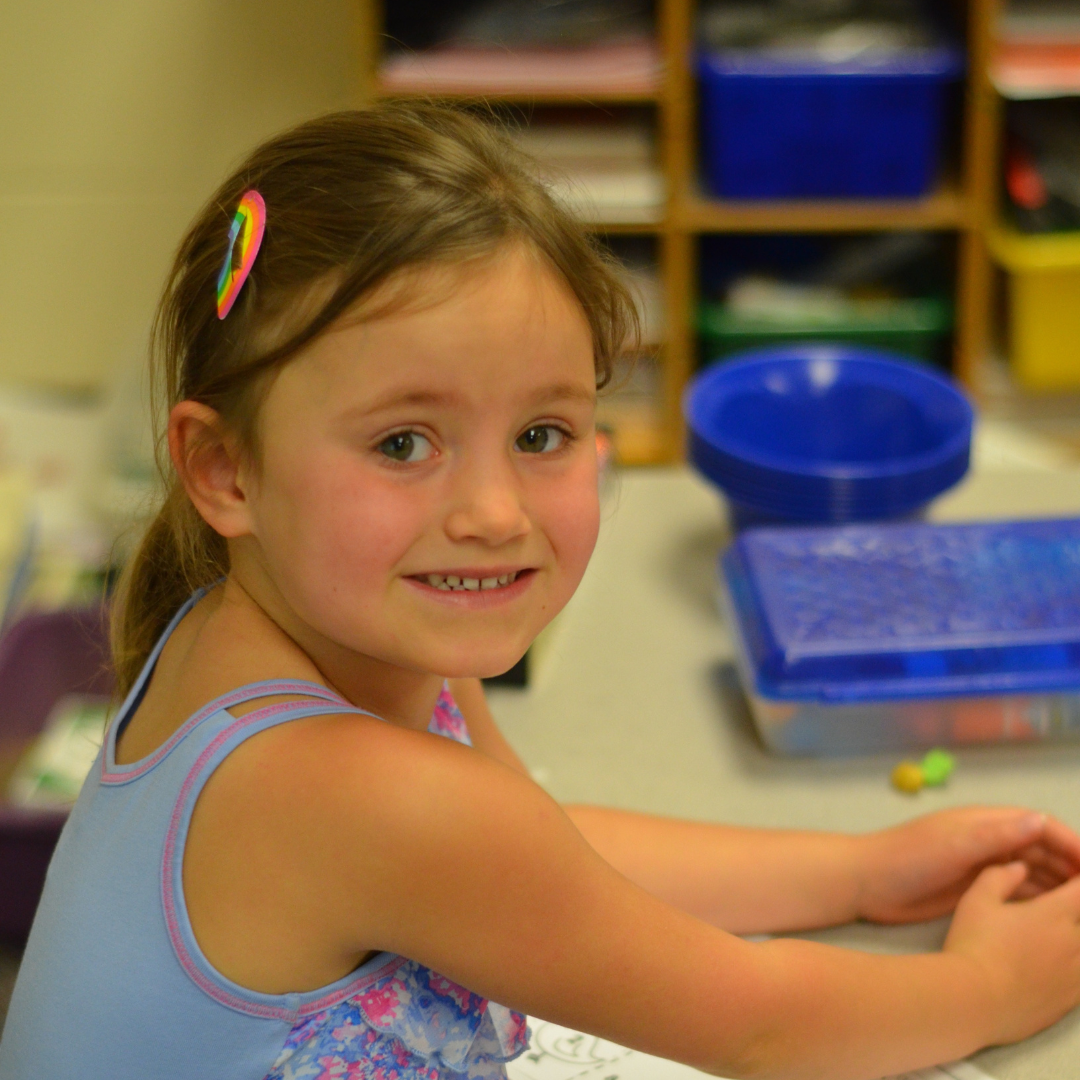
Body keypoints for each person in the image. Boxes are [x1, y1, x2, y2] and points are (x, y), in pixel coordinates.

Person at [2, 102, 1080, 1080]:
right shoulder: (350, 791)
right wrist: (991, 989)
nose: (495, 511)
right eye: (404, 441)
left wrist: (858, 871)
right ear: (227, 470)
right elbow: (754, 1025)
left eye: (540, 434)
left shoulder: (303, 635)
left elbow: (545, 858)